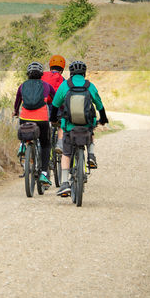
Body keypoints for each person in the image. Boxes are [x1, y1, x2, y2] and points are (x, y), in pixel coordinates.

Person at [50, 58, 108, 197]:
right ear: (84, 73)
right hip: (86, 125)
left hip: (69, 127)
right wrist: (104, 119)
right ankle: (91, 155)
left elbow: (55, 105)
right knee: (91, 129)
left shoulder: (65, 85)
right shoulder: (90, 86)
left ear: (70, 72)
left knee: (66, 153)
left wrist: (53, 119)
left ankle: (64, 184)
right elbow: (99, 105)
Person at [12, 61, 55, 186]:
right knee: (46, 144)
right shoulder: (46, 86)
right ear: (41, 74)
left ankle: (23, 145)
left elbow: (17, 102)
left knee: (25, 132)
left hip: (25, 118)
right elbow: (57, 100)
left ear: (28, 74)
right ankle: (44, 174)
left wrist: (15, 112)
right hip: (42, 120)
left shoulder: (22, 86)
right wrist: (61, 112)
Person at [41, 55, 67, 154]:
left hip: (42, 107)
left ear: (50, 66)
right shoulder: (63, 80)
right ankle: (59, 143)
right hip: (56, 109)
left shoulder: (43, 76)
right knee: (61, 123)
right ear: (62, 69)